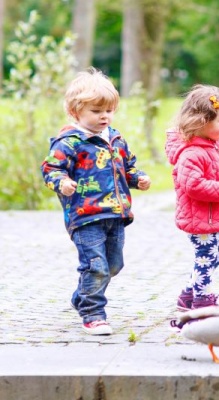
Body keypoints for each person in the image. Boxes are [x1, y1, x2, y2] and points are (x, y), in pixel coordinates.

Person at [41, 68, 152, 335]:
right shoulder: (69, 142)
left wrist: (138, 178)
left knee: (113, 265)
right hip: (85, 215)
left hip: (116, 214)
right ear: (75, 112)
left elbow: (127, 167)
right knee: (96, 266)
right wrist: (62, 182)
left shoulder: (115, 138)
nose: (104, 116)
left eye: (109, 111)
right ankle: (93, 314)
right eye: (96, 111)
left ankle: (82, 296)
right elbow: (51, 169)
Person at [165, 84, 219, 310]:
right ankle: (202, 300)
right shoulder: (191, 153)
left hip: (215, 218)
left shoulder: (215, 146)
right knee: (205, 258)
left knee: (216, 255)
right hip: (200, 219)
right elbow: (193, 185)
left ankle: (187, 295)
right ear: (201, 122)